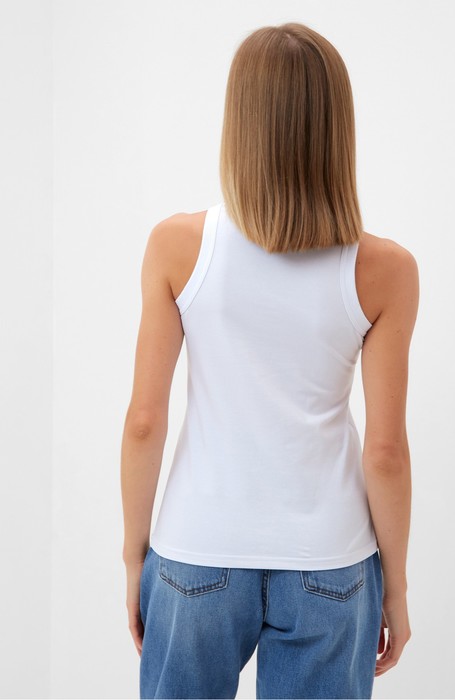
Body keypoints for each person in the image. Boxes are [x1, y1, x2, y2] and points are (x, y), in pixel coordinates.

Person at [120, 21, 419, 700]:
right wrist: (396, 588)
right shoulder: (386, 270)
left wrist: (134, 555)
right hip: (330, 560)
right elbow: (386, 454)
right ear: (337, 127)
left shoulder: (177, 247)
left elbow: (144, 421)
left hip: (196, 549)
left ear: (239, 123)